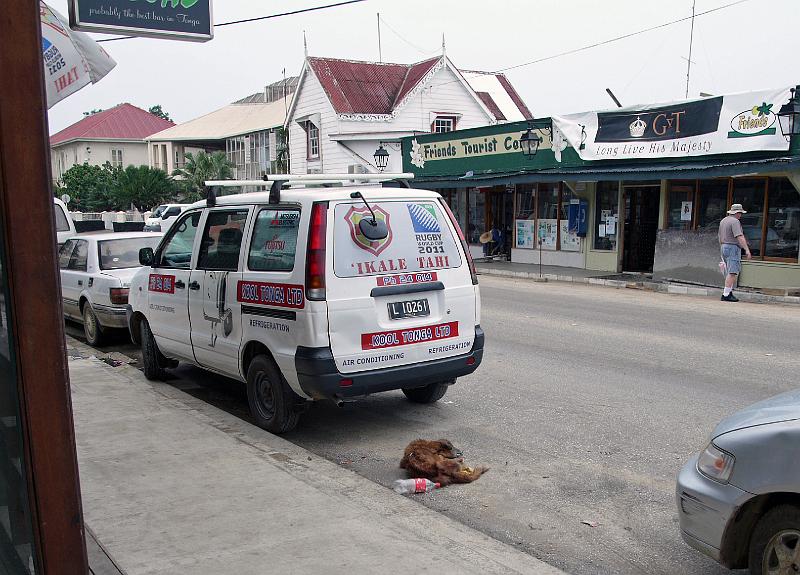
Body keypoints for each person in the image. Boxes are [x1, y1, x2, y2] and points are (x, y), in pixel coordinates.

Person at [718, 203, 752, 302]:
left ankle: (729, 291)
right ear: (737, 213)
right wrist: (746, 249)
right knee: (732, 271)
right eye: (740, 213)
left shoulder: (724, 220)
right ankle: (726, 294)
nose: (741, 215)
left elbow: (719, 236)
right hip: (732, 247)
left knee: (728, 270)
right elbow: (739, 236)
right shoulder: (735, 222)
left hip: (724, 246)